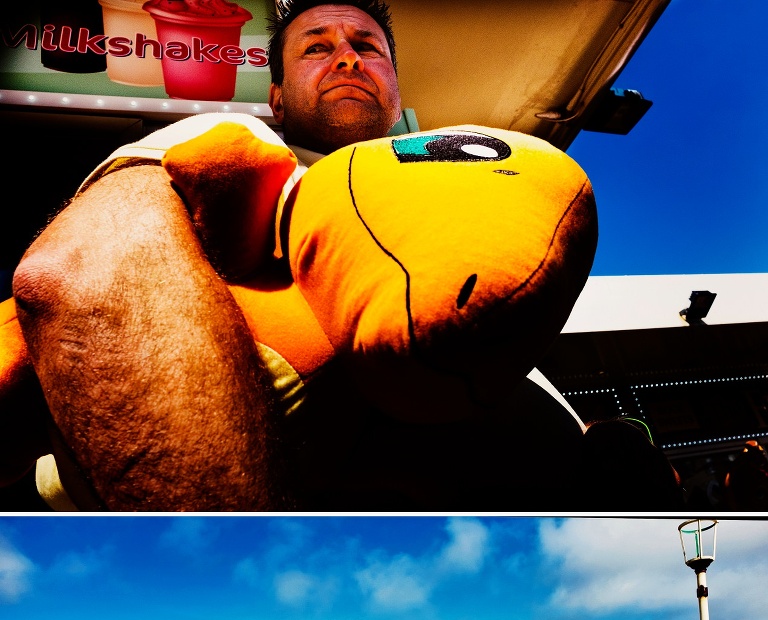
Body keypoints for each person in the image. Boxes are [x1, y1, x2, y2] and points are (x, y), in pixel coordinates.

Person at [7, 1, 677, 514]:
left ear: (394, 82)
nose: (348, 59)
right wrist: (229, 547)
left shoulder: (443, 184)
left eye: (366, 47)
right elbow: (85, 277)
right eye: (317, 48)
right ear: (274, 95)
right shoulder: (223, 135)